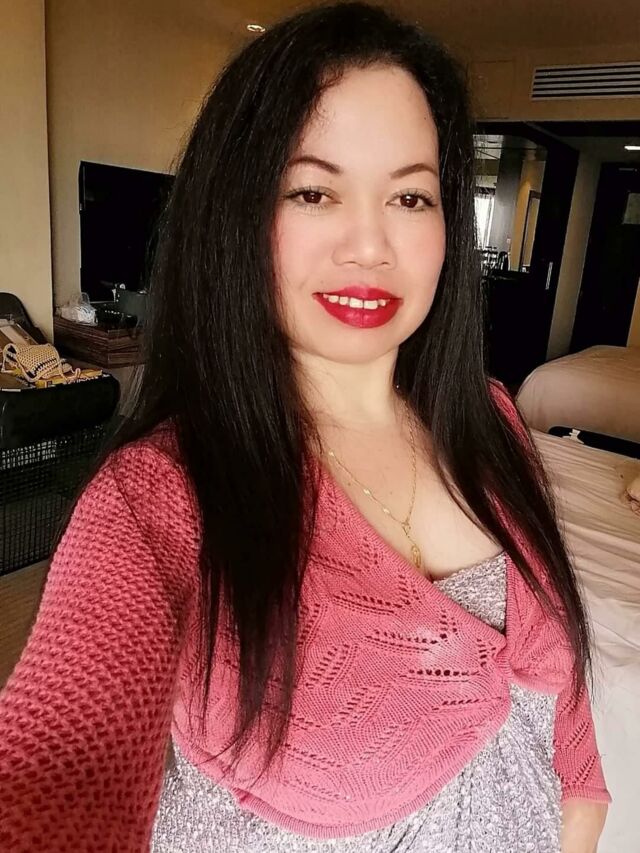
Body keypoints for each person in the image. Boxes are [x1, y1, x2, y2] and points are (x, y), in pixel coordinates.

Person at [0, 3, 611, 851]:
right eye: (314, 191)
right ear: (239, 214)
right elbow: (59, 760)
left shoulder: (493, 420)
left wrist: (583, 811)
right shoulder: (158, 498)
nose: (370, 243)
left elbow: (561, 705)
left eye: (410, 195)